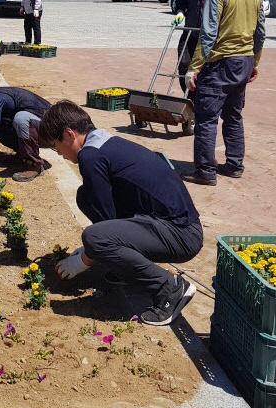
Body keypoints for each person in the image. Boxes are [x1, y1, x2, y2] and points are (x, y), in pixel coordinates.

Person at [39, 100, 203, 326]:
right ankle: (126, 269)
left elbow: (103, 227)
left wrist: (86, 258)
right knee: (86, 196)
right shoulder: (104, 143)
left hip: (181, 234)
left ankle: (170, 289)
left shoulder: (91, 157)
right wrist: (101, 253)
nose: (58, 153)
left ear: (69, 134)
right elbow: (107, 214)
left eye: (55, 145)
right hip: (173, 225)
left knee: (94, 237)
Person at [182, 0, 265, 186]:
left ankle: (205, 171)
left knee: (207, 118)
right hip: (245, 61)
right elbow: (260, 34)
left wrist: (194, 67)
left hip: (220, 62)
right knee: (234, 116)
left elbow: (208, 34)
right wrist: (255, 62)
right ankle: (234, 165)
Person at [172, 0, 214, 97]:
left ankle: (202, 101)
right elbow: (181, 2)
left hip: (210, 37)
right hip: (190, 33)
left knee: (204, 70)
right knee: (184, 65)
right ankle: (188, 99)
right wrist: (179, 12)